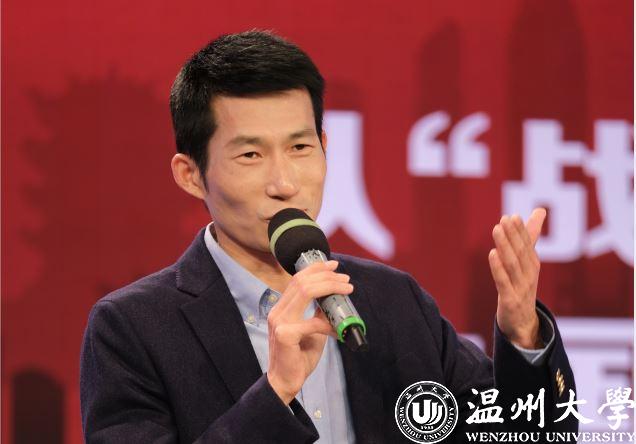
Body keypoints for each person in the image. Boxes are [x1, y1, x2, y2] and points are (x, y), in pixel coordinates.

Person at [80, 30, 578, 443]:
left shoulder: (393, 301)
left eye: (300, 147)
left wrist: (522, 335)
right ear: (190, 175)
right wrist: (274, 394)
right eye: (250, 155)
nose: (284, 183)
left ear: (324, 145)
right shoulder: (133, 328)